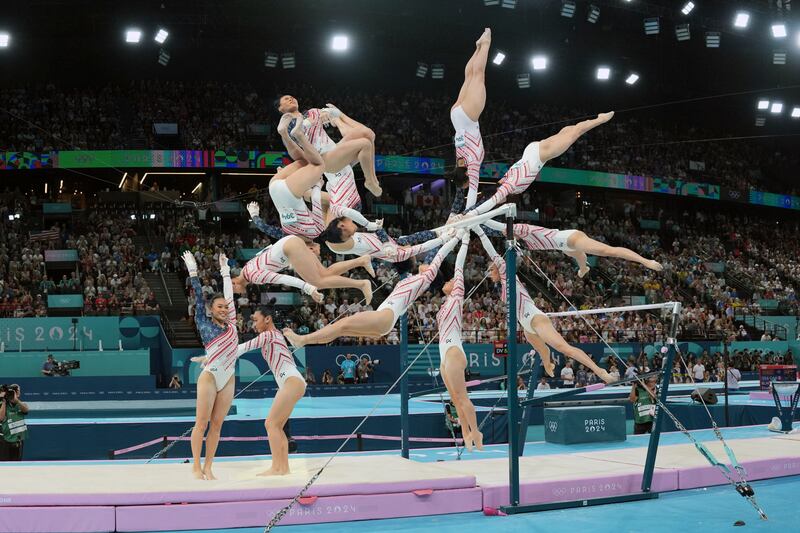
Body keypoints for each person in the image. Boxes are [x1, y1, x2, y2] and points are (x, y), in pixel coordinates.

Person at [476, 229, 612, 382]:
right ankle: (547, 364)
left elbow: (491, 252)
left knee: (564, 348)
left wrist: (479, 232)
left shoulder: (507, 275)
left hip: (535, 318)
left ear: (496, 267)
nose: (488, 273)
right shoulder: (502, 286)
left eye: (489, 270)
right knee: (543, 350)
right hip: (526, 326)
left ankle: (600, 371)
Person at [284, 237, 460, 347]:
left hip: (384, 317)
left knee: (341, 326)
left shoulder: (425, 277)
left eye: (429, 265)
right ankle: (303, 341)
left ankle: (303, 340)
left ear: (431, 271)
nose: (425, 262)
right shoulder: (413, 279)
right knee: (339, 329)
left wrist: (448, 238)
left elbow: (438, 256)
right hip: (385, 321)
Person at [461, 111, 614, 217]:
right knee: (567, 132)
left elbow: (492, 199)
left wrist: (470, 214)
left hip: (539, 155)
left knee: (574, 133)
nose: (500, 202)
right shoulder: (505, 180)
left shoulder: (509, 186)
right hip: (532, 151)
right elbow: (492, 192)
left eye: (497, 201)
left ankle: (600, 120)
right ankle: (594, 120)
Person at [233, 209, 373, 303]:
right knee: (324, 273)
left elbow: (282, 278)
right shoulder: (247, 267)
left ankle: (361, 284)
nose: (238, 294)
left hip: (289, 249)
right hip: (288, 246)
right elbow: (267, 252)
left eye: (234, 291)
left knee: (317, 282)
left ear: (234, 282)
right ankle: (361, 260)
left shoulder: (253, 276)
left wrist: (308, 288)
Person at [183, 251, 239, 480]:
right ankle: (196, 465)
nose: (224, 309)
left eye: (226, 307)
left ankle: (209, 466)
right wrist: (193, 272)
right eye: (220, 307)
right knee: (202, 422)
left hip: (228, 378)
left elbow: (230, 295)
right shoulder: (203, 323)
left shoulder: (232, 323)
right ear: (211, 309)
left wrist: (225, 271)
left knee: (217, 426)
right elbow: (198, 296)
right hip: (210, 377)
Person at [233, 306, 306, 476]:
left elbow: (242, 348)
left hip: (291, 381)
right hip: (293, 381)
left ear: (267, 319)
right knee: (277, 426)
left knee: (270, 424)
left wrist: (212, 356)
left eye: (256, 320)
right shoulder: (276, 335)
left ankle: (275, 467)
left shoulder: (268, 335)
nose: (253, 324)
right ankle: (283, 468)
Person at [276, 96, 382, 197]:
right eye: (286, 99)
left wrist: (328, 112)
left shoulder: (311, 112)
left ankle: (372, 179)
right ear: (280, 108)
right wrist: (306, 125)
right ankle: (370, 181)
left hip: (335, 150)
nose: (291, 99)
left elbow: (334, 114)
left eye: (292, 97)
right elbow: (297, 154)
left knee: (368, 134)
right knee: (365, 144)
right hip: (324, 159)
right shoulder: (285, 127)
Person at [482, 219, 662, 278]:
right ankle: (584, 268)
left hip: (571, 238)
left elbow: (498, 226)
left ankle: (646, 261)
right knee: (578, 256)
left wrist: (477, 217)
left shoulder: (520, 229)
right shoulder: (519, 235)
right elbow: (499, 230)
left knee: (609, 251)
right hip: (563, 244)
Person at [437, 235, 482, 451]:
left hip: (454, 352)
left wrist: (463, 242)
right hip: (444, 355)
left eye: (451, 280)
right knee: (454, 399)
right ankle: (465, 431)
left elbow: (458, 266)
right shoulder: (445, 303)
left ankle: (476, 431)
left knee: (462, 398)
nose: (447, 282)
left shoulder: (457, 296)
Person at [450, 28, 491, 210]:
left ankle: (487, 41)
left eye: (465, 184)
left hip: (469, 117)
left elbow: (473, 191)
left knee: (479, 75)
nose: (468, 187)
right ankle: (477, 47)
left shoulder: (472, 165)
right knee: (469, 76)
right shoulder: (459, 160)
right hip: (456, 117)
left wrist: (467, 214)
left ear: (466, 176)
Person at [0, 384, 29, 461]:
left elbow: (26, 410)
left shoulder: (21, 404)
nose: (18, 392)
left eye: (18, 390)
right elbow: (0, 418)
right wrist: (4, 401)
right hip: (5, 440)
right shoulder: (3, 404)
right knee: (4, 463)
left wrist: (17, 401)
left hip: (18, 440)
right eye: (16, 391)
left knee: (16, 463)